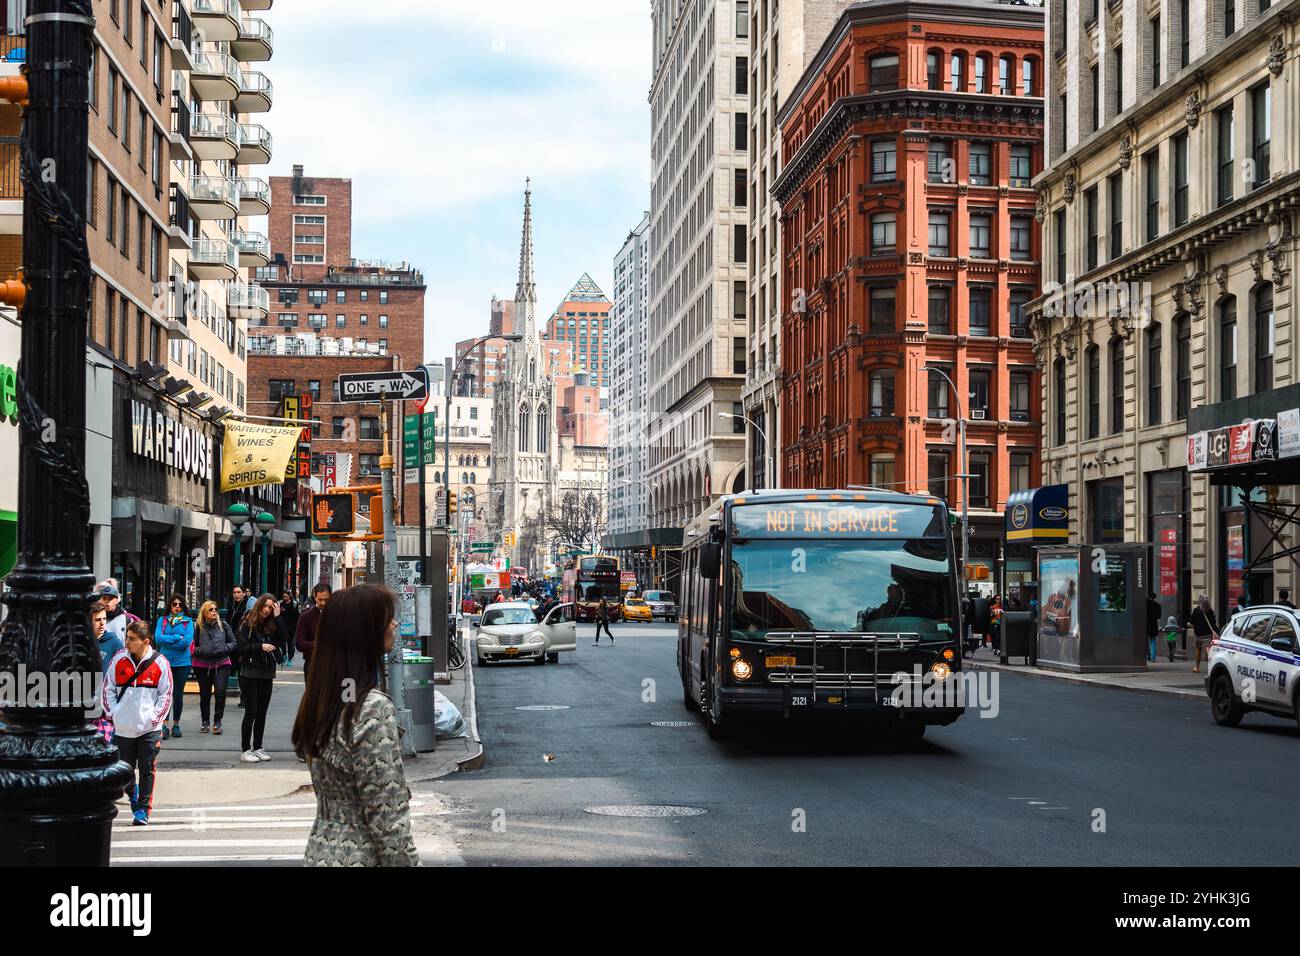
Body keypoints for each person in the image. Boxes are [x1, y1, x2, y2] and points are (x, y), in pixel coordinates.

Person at [293, 584, 419, 866]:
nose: (394, 624)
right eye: (387, 619)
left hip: (320, 853)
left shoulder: (324, 699)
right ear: (366, 632)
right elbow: (387, 819)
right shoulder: (372, 709)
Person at [102, 619, 173, 826]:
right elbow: (108, 689)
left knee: (147, 769)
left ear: (145, 641)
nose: (127, 642)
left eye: (132, 639)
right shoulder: (119, 659)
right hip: (123, 728)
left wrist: (154, 719)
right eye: (127, 638)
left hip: (148, 730)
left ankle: (142, 809)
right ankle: (133, 793)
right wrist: (114, 713)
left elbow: (166, 695)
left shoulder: (160, 662)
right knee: (123, 770)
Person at [234, 593, 287, 763]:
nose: (267, 610)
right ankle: (245, 749)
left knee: (262, 712)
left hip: (266, 672)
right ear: (259, 605)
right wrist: (260, 646)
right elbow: (240, 648)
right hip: (250, 672)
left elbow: (285, 638)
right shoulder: (248, 623)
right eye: (265, 606)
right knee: (251, 711)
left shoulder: (272, 623)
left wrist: (278, 618)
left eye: (271, 607)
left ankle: (258, 746)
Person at [191, 600, 236, 735]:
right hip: (202, 665)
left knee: (220, 692)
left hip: (222, 663)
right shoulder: (197, 626)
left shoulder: (224, 625)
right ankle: (205, 721)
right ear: (204, 612)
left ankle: (218, 721)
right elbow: (192, 646)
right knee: (205, 695)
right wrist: (203, 651)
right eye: (210, 609)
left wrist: (225, 649)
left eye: (215, 609)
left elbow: (233, 642)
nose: (214, 612)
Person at [153, 595, 193, 739]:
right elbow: (158, 639)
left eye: (180, 605)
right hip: (165, 662)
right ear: (170, 605)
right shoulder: (162, 620)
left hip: (183, 663)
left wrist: (168, 641)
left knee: (178, 695)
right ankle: (164, 724)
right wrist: (176, 638)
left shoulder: (188, 622)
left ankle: (176, 724)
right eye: (174, 604)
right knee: (165, 694)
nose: (177, 607)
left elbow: (186, 642)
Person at [92, 604, 122, 744]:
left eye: (104, 619)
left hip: (106, 705)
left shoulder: (115, 642)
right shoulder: (80, 642)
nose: (102, 623)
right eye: (98, 619)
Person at [296, 583, 331, 678]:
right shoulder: (306, 617)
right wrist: (318, 644)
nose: (323, 603)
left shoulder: (338, 615)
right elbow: (299, 643)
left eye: (326, 599)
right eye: (320, 599)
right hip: (312, 664)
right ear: (314, 597)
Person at [97, 581, 140, 648]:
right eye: (104, 598)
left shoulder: (127, 619)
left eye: (110, 598)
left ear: (117, 600)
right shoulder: (93, 618)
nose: (107, 601)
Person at [1187, 595, 1220, 674]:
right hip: (1208, 633)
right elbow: (1213, 623)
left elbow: (1191, 622)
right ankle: (1212, 666)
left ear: (1200, 601)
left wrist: (1188, 624)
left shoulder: (1196, 610)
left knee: (1198, 650)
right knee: (1208, 649)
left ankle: (1197, 667)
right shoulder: (1210, 610)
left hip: (1198, 634)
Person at [279, 591, 301, 665]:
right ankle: (284, 654)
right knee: (282, 642)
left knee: (290, 643)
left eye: (286, 596)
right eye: (284, 596)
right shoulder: (281, 603)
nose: (285, 598)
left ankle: (290, 659)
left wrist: (297, 626)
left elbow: (297, 615)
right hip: (283, 626)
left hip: (292, 626)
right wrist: (280, 611)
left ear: (289, 596)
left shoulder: (294, 604)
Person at [1146, 592, 1162, 663]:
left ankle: (1147, 655)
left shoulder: (1145, 604)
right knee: (1153, 641)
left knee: (1145, 641)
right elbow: (1159, 616)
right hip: (1153, 624)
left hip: (1145, 624)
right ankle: (1153, 657)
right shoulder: (1157, 605)